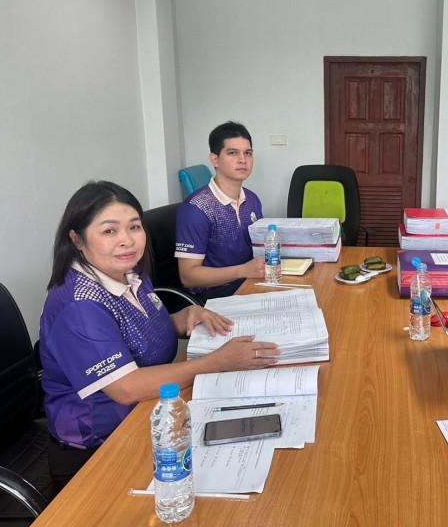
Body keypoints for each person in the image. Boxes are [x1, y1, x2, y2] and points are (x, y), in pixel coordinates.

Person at [40, 181, 280, 490]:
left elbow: (138, 330)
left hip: (154, 412)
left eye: (134, 227)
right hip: (100, 448)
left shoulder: (129, 274)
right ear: (77, 240)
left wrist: (184, 317)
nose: (127, 241)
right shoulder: (79, 305)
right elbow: (126, 388)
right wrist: (217, 362)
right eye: (109, 231)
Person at [176, 121, 266, 302]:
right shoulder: (196, 208)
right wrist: (243, 270)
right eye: (233, 153)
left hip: (249, 283)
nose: (243, 160)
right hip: (212, 296)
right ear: (215, 159)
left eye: (248, 153)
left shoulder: (252, 199)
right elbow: (188, 277)